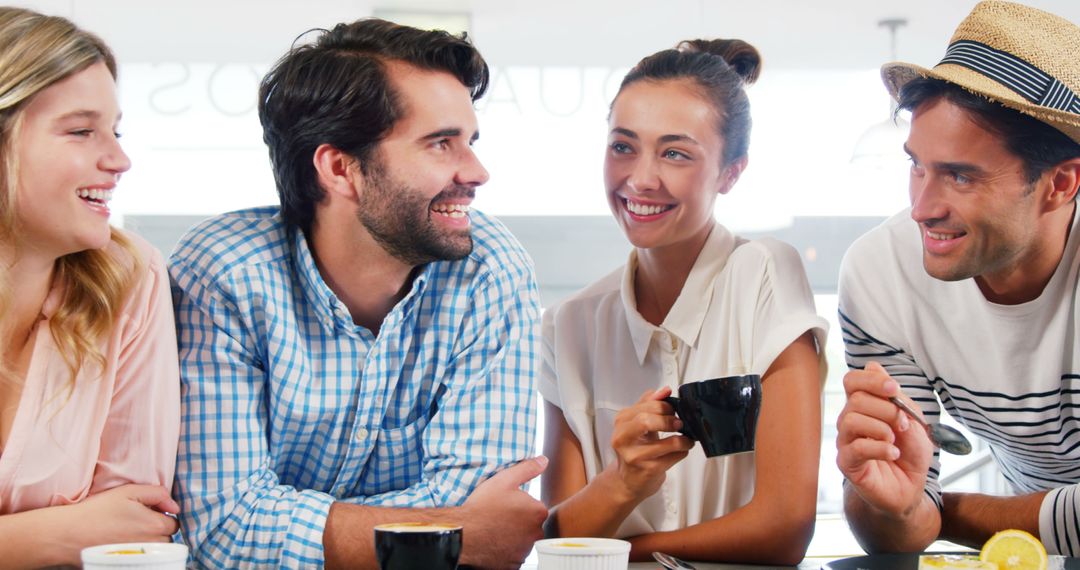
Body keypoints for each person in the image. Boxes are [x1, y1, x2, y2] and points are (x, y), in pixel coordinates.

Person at [169, 18, 546, 568]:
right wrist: (451, 530)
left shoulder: (491, 268)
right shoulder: (223, 274)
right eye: (441, 144)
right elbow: (226, 529)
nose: (478, 171)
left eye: (470, 141)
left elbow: (492, 510)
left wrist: (301, 523)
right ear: (341, 168)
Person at [540, 38, 828, 565]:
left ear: (731, 172)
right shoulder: (570, 324)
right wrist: (623, 482)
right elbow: (557, 537)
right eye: (623, 146)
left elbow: (786, 528)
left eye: (674, 153)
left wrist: (626, 551)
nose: (640, 179)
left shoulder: (764, 274)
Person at [836, 0, 1080, 555]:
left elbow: (930, 516)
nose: (922, 207)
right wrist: (891, 501)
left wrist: (940, 512)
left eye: (960, 176)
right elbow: (898, 524)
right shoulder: (881, 274)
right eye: (916, 165)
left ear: (1060, 185)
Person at [0, 7, 181, 568]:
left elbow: (133, 531)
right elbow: (91, 536)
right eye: (82, 131)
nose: (119, 159)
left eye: (115, 130)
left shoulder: (129, 276)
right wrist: (40, 538)